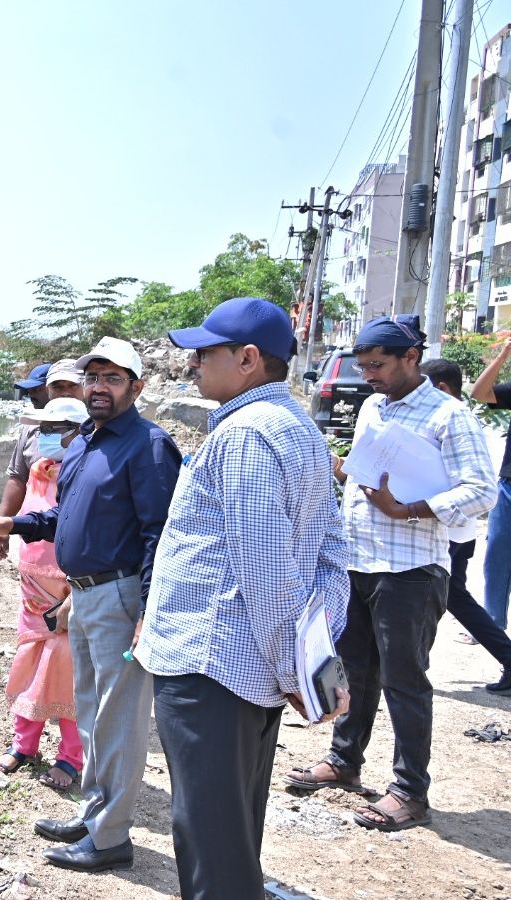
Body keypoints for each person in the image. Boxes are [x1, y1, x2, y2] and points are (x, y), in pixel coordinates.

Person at [134, 298, 352, 899]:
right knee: (232, 836)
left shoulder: (248, 434)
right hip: (250, 667)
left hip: (214, 666)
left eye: (205, 352)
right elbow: (331, 558)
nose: (194, 363)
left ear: (248, 359)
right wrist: (311, 661)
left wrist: (295, 667)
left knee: (213, 852)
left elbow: (267, 572)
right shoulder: (299, 430)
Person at [0, 336, 180, 874]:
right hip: (81, 594)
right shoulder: (85, 443)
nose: (99, 387)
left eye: (111, 378)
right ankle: (92, 815)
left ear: (136, 387)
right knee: (92, 711)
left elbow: (161, 534)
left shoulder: (149, 446)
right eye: (92, 377)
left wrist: (150, 609)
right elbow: (64, 518)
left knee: (119, 719)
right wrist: (15, 523)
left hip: (122, 593)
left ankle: (110, 840)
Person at [285, 315, 496, 832]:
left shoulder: (449, 416)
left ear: (411, 358)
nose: (369, 376)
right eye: (363, 367)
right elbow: (369, 469)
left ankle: (409, 791)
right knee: (355, 670)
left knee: (404, 680)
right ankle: (343, 761)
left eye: (377, 365)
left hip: (410, 569)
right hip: (359, 561)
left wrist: (410, 508)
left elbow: (481, 489)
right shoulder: (374, 407)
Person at [0, 396, 89, 791]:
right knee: (29, 663)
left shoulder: (89, 475)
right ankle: (24, 745)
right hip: (32, 588)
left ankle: (71, 757)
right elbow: (35, 519)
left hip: (70, 589)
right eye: (43, 430)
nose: (46, 438)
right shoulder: (39, 471)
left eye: (55, 431)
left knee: (68, 673)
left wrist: (74, 591)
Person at [420, 358, 511, 693]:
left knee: (437, 596)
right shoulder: (443, 417)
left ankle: (413, 669)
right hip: (454, 528)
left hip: (449, 529)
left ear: (441, 388)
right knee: (450, 596)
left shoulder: (454, 420)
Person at [0, 360, 86, 562]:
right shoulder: (30, 429)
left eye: (72, 385)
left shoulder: (97, 430)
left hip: (78, 550)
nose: (65, 392)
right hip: (34, 543)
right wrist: (3, 525)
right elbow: (17, 478)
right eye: (57, 386)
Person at [468, 338, 511, 630]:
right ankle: (493, 625)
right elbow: (479, 392)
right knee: (496, 559)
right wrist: (504, 354)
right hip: (508, 486)